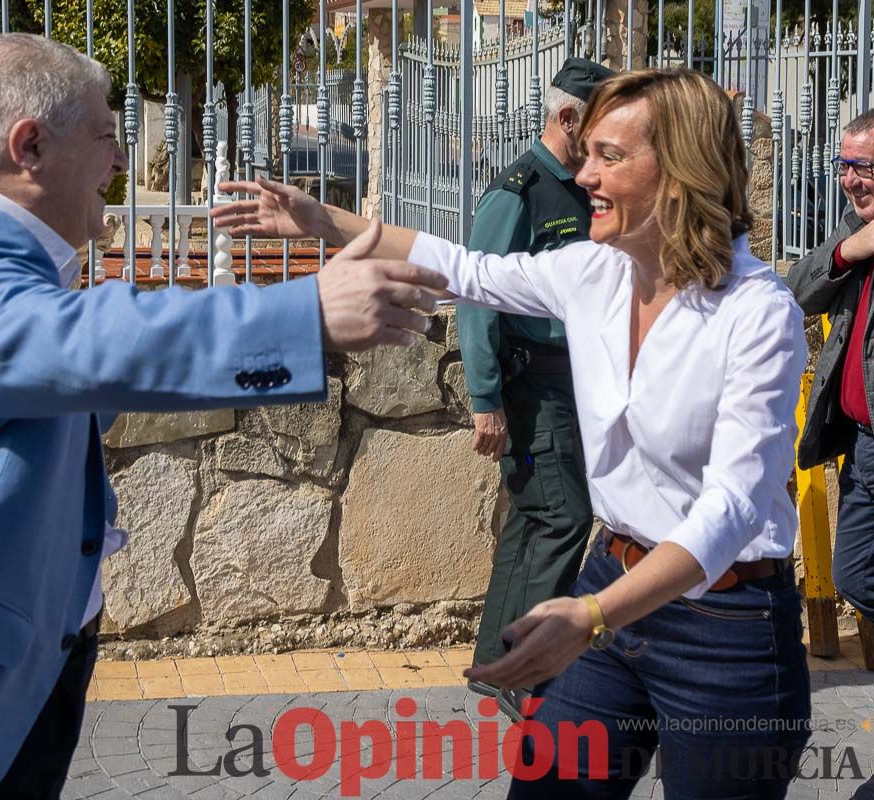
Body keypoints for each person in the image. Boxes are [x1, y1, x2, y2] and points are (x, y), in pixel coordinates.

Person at [0, 34, 448, 800]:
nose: (117, 162)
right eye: (107, 136)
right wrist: (301, 313)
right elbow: (87, 344)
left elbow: (78, 372)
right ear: (30, 144)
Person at [213, 67, 811, 798]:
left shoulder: (758, 313)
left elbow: (734, 509)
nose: (584, 173)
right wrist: (325, 222)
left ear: (684, 172)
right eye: (585, 152)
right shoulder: (592, 271)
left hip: (727, 627)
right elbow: (468, 271)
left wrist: (589, 616)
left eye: (610, 158)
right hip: (610, 585)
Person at [457, 57, 612, 721]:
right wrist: (485, 401)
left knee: (534, 518)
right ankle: (530, 676)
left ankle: (500, 661)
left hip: (572, 381)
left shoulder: (584, 186)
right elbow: (475, 295)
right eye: (600, 125)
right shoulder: (518, 191)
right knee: (564, 517)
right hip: (531, 384)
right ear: (568, 117)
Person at [787, 110, 874, 621]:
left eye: (862, 167)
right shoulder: (852, 228)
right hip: (857, 441)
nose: (848, 180)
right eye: (844, 165)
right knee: (853, 574)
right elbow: (796, 289)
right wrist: (846, 252)